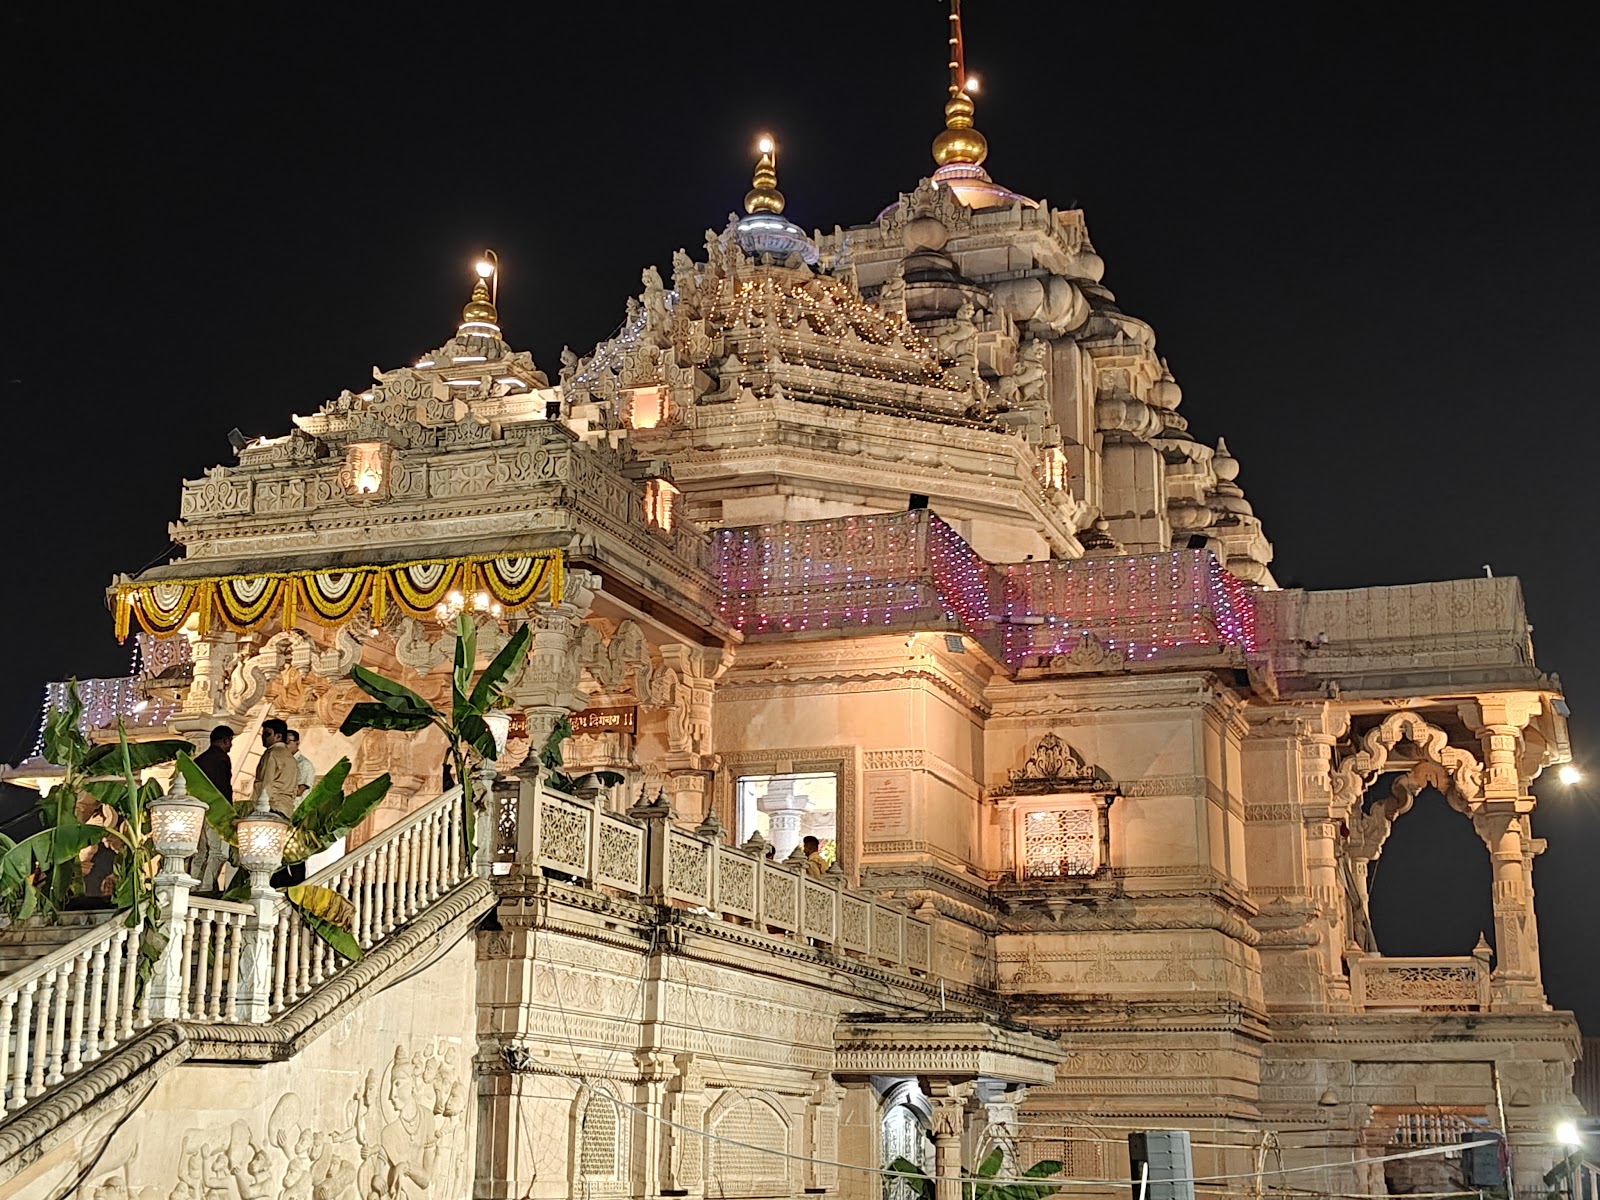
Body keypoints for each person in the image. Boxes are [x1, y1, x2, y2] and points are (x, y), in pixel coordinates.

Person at [254, 719, 304, 887]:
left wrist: (260, 810)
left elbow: (265, 785)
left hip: (271, 807)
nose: (263, 738)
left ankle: (279, 882)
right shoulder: (290, 757)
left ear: (278, 736)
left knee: (268, 854)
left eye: (267, 734)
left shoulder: (272, 754)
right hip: (286, 809)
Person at [190, 725, 234, 893]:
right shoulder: (222, 758)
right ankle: (207, 885)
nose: (231, 746)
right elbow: (224, 787)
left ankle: (194, 886)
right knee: (219, 852)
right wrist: (229, 811)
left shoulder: (199, 760)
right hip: (217, 810)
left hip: (198, 809)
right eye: (230, 741)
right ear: (225, 741)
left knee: (200, 852)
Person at [286, 729, 315, 799]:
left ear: (297, 743)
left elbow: (299, 791)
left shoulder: (304, 764)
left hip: (296, 807)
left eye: (287, 741)